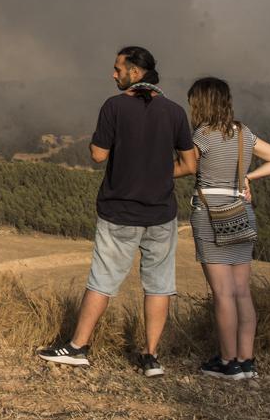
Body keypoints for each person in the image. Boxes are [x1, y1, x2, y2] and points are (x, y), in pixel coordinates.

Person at [38, 46, 197, 377]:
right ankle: (151, 356)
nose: (113, 74)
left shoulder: (114, 107)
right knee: (159, 284)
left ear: (135, 72)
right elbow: (190, 164)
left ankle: (78, 347)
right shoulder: (175, 111)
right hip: (162, 214)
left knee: (102, 280)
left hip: (119, 213)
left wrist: (97, 146)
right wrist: (157, 173)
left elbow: (98, 155)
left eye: (118, 69)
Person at [187, 76, 270, 380]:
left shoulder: (202, 135)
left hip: (209, 212)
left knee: (222, 293)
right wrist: (248, 178)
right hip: (240, 209)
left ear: (201, 102)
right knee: (241, 291)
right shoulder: (244, 133)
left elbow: (185, 166)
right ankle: (246, 362)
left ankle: (227, 361)